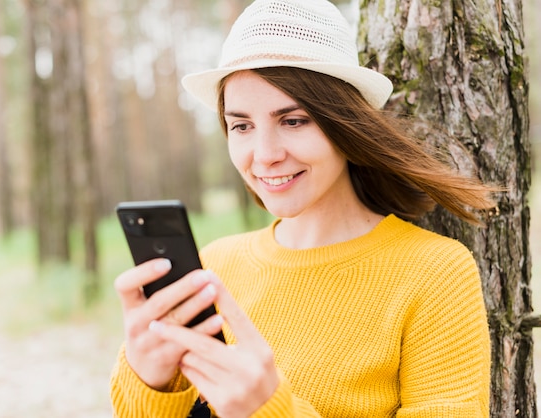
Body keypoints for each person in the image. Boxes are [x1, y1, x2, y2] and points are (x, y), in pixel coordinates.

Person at [110, 0, 495, 416]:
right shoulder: (214, 267)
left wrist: (267, 407)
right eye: (241, 125)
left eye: (293, 120)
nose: (265, 155)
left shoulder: (435, 273)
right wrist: (151, 379)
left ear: (345, 125)